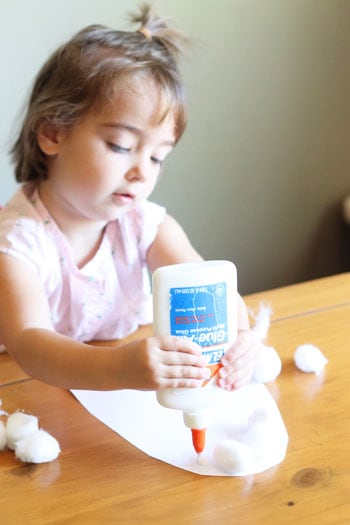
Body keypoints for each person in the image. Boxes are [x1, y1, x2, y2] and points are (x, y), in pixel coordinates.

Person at [0, 4, 259, 392]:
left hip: (115, 398)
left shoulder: (145, 225)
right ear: (53, 132)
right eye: (121, 147)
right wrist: (118, 369)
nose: (142, 172)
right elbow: (30, 345)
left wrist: (240, 336)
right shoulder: (17, 245)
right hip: (25, 388)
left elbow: (210, 287)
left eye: (158, 157)